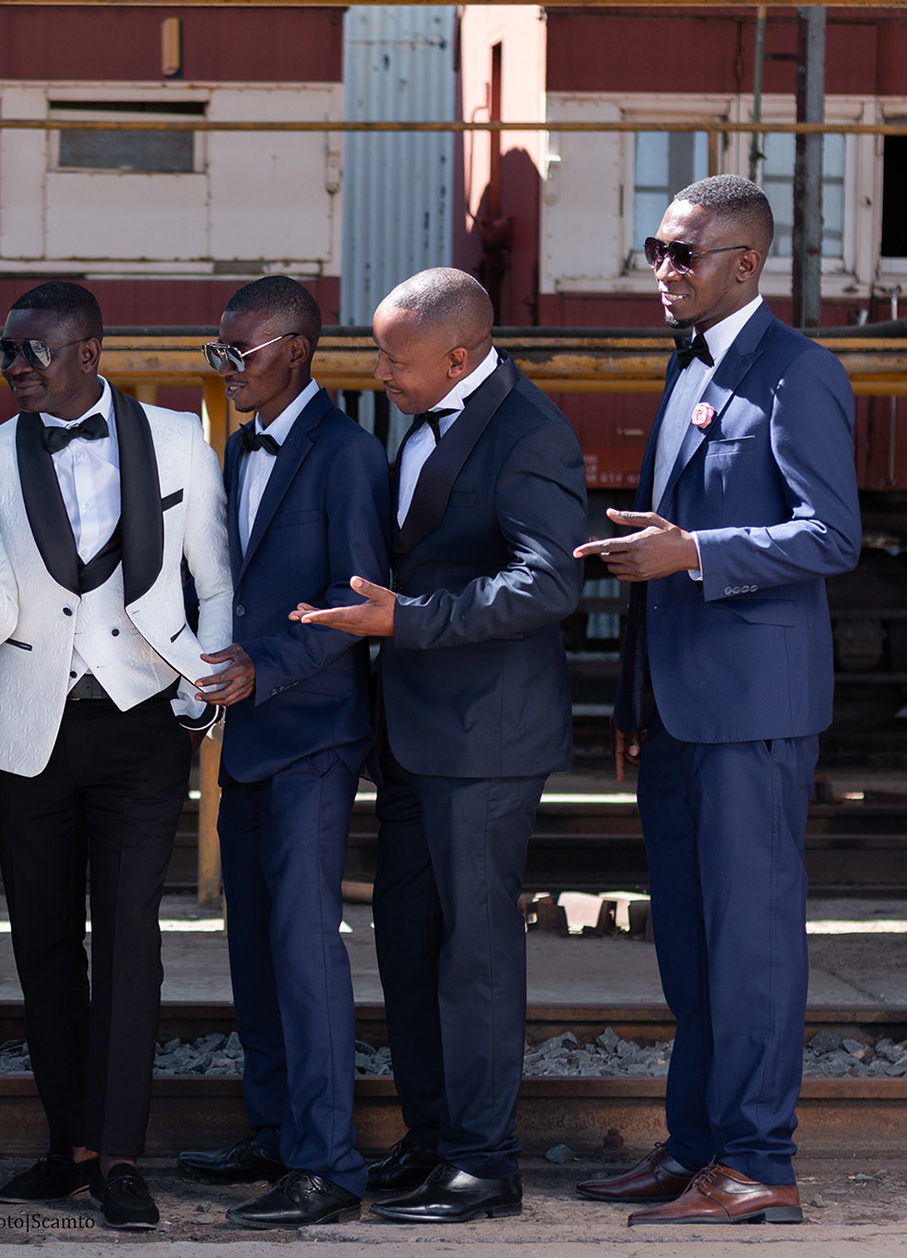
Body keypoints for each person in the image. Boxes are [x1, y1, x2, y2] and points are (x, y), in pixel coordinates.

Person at [0, 280, 232, 1231]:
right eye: (5, 351)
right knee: (43, 942)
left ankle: (121, 1156)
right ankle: (72, 1145)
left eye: (33, 351)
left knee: (130, 940)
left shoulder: (178, 438)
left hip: (142, 720)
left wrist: (200, 696)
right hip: (30, 727)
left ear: (88, 352)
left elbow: (214, 580)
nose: (14, 366)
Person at [574, 175, 859, 1226]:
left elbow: (831, 534)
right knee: (692, 950)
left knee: (753, 947)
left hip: (754, 715)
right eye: (655, 249)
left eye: (683, 253)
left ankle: (758, 1165)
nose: (662, 269)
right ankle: (695, 1149)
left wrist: (694, 549)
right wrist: (631, 699)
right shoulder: (688, 364)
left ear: (746, 264)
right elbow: (668, 546)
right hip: (679, 712)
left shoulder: (798, 372)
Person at [294, 268, 585, 1223]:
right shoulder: (424, 414)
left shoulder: (531, 433)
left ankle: (484, 1164)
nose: (379, 373)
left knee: (477, 953)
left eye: (395, 359)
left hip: (488, 737)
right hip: (417, 733)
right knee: (408, 939)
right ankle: (430, 1138)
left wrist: (407, 620)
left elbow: (550, 584)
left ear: (459, 358)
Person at [173, 276, 389, 1228]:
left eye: (241, 352)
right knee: (253, 948)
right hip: (248, 734)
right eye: (217, 352)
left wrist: (263, 668)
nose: (226, 368)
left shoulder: (349, 455)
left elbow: (358, 605)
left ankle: (328, 1167)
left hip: (313, 736)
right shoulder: (233, 445)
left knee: (304, 952)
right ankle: (274, 1133)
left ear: (297, 350)